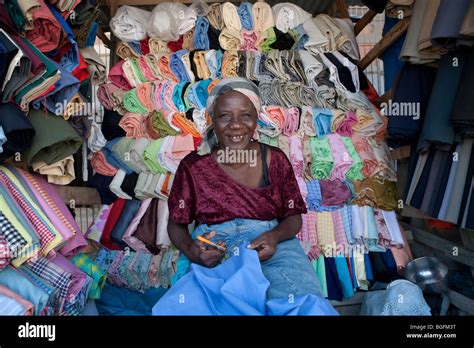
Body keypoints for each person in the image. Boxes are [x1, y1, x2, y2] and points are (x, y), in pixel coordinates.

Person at [167, 77, 323, 300]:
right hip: (214, 246)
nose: (236, 125)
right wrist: (191, 250)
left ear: (256, 119)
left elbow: (293, 218)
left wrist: (274, 236)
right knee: (203, 305)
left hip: (269, 246)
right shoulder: (193, 166)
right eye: (224, 116)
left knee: (302, 301)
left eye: (246, 115)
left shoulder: (275, 159)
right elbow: (176, 224)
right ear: (212, 120)